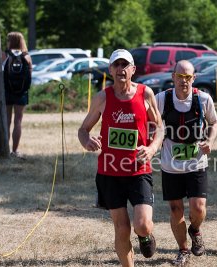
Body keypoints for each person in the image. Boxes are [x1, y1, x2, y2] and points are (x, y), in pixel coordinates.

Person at [78, 49, 164, 267]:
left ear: (133, 70)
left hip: (138, 170)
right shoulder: (101, 98)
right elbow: (83, 129)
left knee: (142, 224)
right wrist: (87, 141)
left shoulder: (145, 94)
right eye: (116, 65)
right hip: (109, 172)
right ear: (110, 70)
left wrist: (152, 148)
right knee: (122, 228)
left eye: (125, 65)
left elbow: (160, 128)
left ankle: (145, 236)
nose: (120, 69)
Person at [155, 60, 217, 266]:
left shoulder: (203, 98)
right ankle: (183, 249)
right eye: (180, 77)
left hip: (196, 162)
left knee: (198, 208)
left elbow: (214, 122)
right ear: (173, 77)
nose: (184, 81)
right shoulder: (161, 99)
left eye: (188, 77)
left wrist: (209, 140)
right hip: (170, 164)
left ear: (194, 78)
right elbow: (150, 123)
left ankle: (195, 229)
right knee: (176, 211)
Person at [3, 32, 32, 158]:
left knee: (7, 121)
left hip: (7, 91)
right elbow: (30, 76)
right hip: (21, 93)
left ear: (11, 41)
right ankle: (15, 151)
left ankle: (4, 149)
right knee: (18, 121)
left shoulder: (4, 55)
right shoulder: (27, 56)